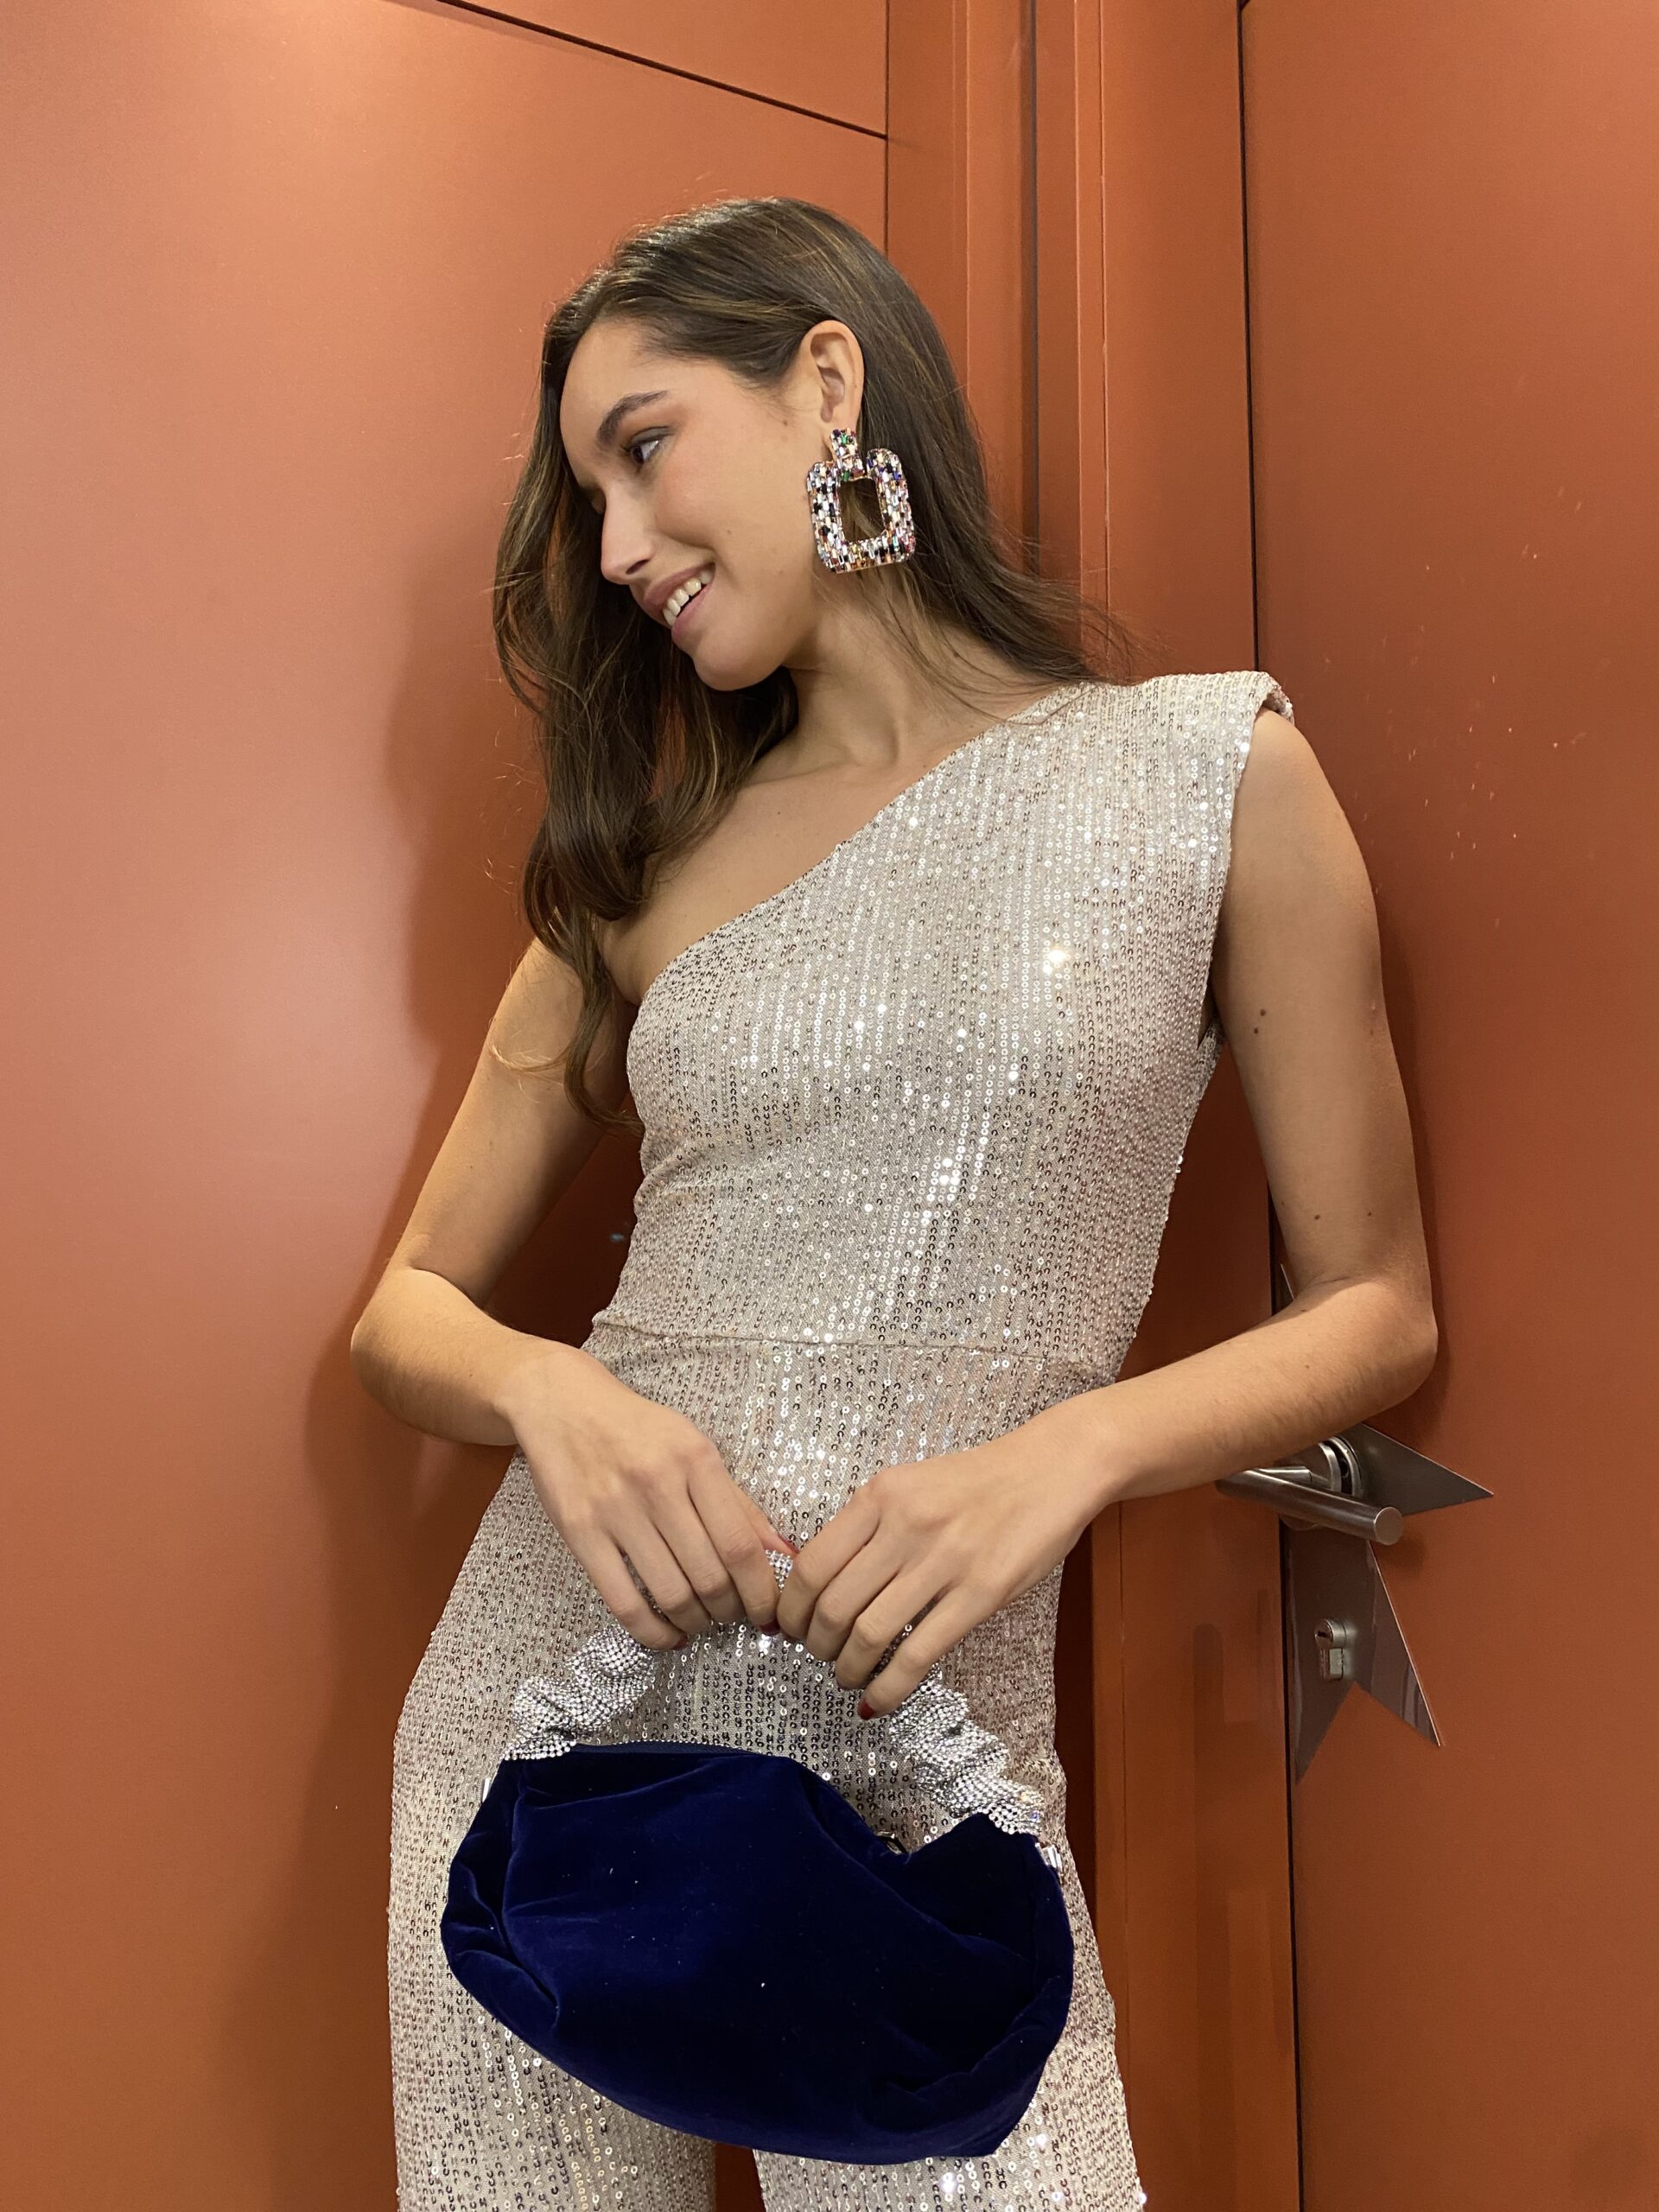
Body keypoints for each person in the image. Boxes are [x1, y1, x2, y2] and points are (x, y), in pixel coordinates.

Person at [351, 195, 1436, 2212]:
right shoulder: (644, 861)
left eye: (645, 445)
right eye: (588, 496)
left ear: (824, 382)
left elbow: (1378, 1301)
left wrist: (1067, 1455)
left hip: (922, 1761)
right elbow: (405, 1307)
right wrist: (554, 1395)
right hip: (546, 1732)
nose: (618, 544)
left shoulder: (1206, 771)